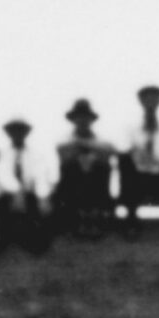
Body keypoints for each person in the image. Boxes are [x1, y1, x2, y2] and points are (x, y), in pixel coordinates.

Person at [118, 84, 159, 232]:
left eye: (154, 99)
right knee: (124, 160)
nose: (151, 102)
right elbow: (124, 152)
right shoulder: (130, 128)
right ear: (141, 101)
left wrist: (157, 159)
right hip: (138, 179)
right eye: (147, 99)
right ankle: (131, 220)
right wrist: (140, 154)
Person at [0, 118, 55, 253]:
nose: (17, 134)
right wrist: (17, 192)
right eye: (14, 131)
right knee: (0, 206)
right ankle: (2, 239)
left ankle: (32, 238)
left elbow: (41, 177)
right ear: (9, 134)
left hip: (29, 194)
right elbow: (3, 176)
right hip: (8, 194)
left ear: (26, 133)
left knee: (40, 209)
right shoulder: (2, 154)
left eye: (21, 131)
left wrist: (43, 198)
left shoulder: (36, 154)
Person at [54, 99, 118, 238]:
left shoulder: (102, 139)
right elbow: (63, 150)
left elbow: (113, 150)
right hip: (74, 186)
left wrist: (88, 149)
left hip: (96, 184)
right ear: (73, 119)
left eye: (85, 117)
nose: (82, 120)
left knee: (101, 166)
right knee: (73, 166)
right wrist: (89, 151)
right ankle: (78, 218)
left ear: (91, 119)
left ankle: (94, 217)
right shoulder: (64, 139)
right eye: (79, 117)